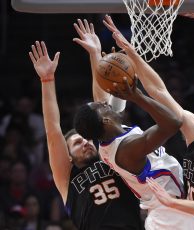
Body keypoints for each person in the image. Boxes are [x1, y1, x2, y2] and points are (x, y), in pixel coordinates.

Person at [103, 15, 194, 229]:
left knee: (158, 217)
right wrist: (132, 54)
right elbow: (161, 92)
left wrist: (173, 202)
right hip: (190, 221)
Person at [73, 21, 194, 230]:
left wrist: (96, 54)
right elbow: (172, 123)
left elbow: (102, 97)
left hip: (172, 208)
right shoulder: (127, 149)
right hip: (171, 216)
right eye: (101, 107)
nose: (104, 103)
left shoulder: (106, 136)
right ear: (105, 119)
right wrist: (138, 97)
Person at [29, 37, 143, 230]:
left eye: (85, 139)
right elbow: (53, 131)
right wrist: (47, 80)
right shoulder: (67, 180)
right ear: (69, 158)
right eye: (76, 144)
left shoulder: (110, 156)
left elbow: (102, 108)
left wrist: (95, 55)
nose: (84, 143)